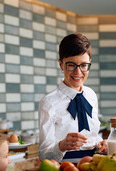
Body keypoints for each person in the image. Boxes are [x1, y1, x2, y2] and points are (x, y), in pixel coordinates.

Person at [38, 33, 107, 161]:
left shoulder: (91, 95)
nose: (78, 72)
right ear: (61, 64)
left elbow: (92, 137)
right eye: (71, 65)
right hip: (63, 169)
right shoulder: (48, 103)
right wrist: (62, 146)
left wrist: (100, 143)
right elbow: (44, 156)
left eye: (84, 65)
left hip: (93, 166)